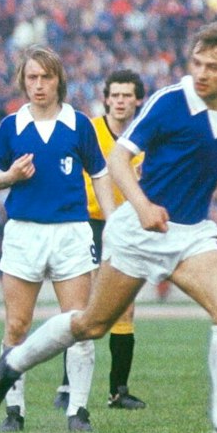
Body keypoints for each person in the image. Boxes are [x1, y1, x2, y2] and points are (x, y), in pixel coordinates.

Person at [0, 21, 217, 433]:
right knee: (90, 324)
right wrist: (142, 205)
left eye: (214, 66)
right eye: (197, 63)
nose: (202, 73)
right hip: (138, 231)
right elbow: (117, 159)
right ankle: (12, 364)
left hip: (189, 233)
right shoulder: (170, 103)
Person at [0, 45, 118, 432]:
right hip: (24, 233)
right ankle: (15, 410)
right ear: (23, 81)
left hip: (71, 232)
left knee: (79, 323)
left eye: (46, 77)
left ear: (58, 79)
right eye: (32, 78)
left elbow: (100, 174)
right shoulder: (11, 126)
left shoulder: (78, 125)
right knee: (17, 325)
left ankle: (78, 410)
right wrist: (11, 176)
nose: (39, 85)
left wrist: (112, 220)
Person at [58, 68, 148, 412]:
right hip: (89, 223)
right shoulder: (90, 130)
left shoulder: (146, 135)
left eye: (128, 95)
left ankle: (118, 391)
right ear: (106, 99)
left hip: (127, 227)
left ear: (137, 100)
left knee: (125, 306)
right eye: (116, 95)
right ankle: (68, 385)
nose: (121, 101)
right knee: (82, 303)